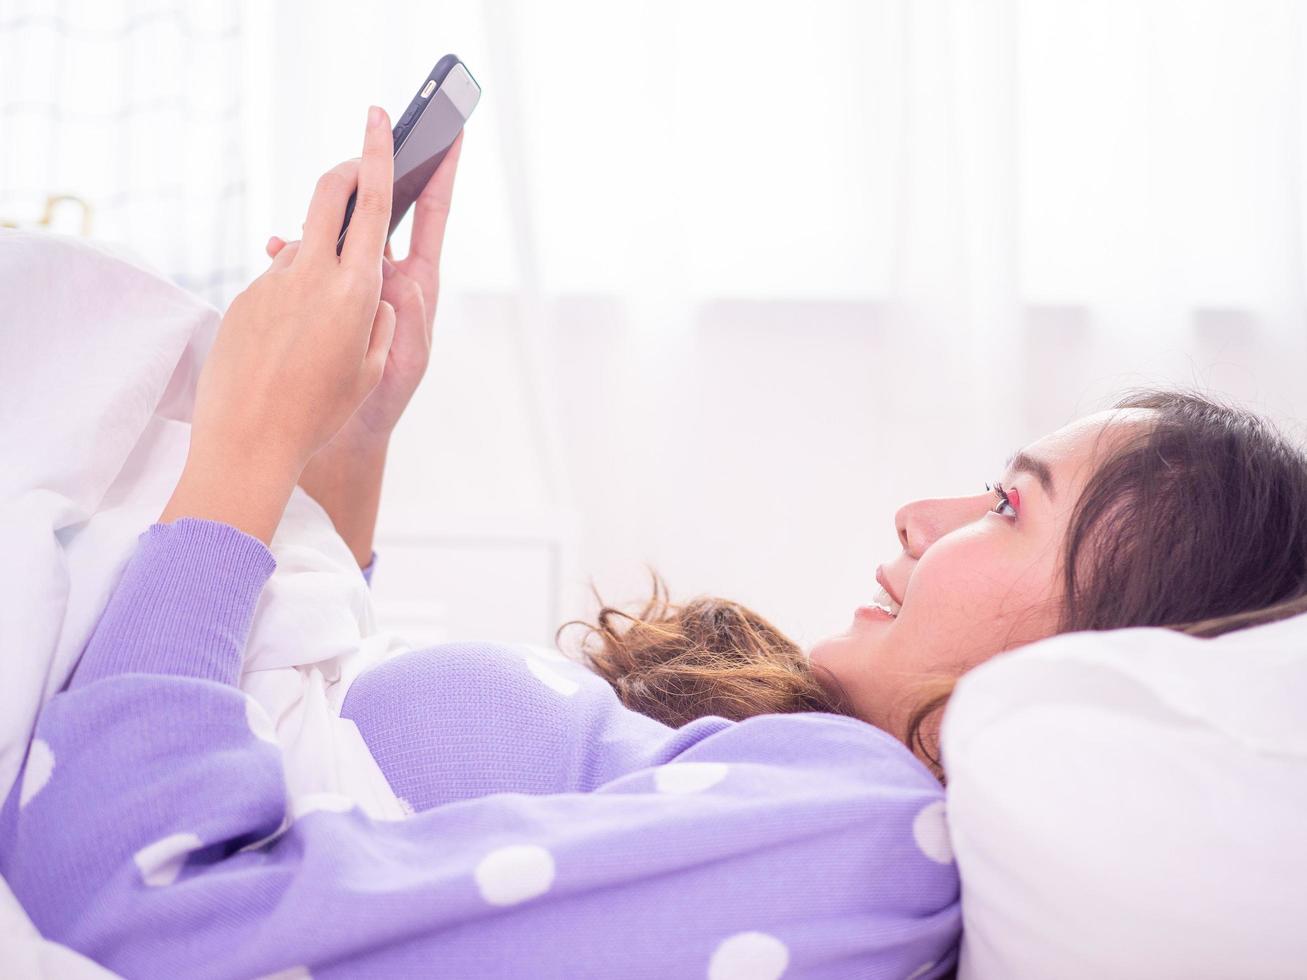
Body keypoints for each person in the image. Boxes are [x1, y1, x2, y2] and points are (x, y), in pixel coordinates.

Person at [2, 101, 1305, 980]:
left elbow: (149, 906)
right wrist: (350, 443)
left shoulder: (875, 844)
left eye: (1011, 509)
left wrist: (247, 445)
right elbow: (345, 792)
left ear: (1107, 657)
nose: (922, 517)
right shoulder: (815, 788)